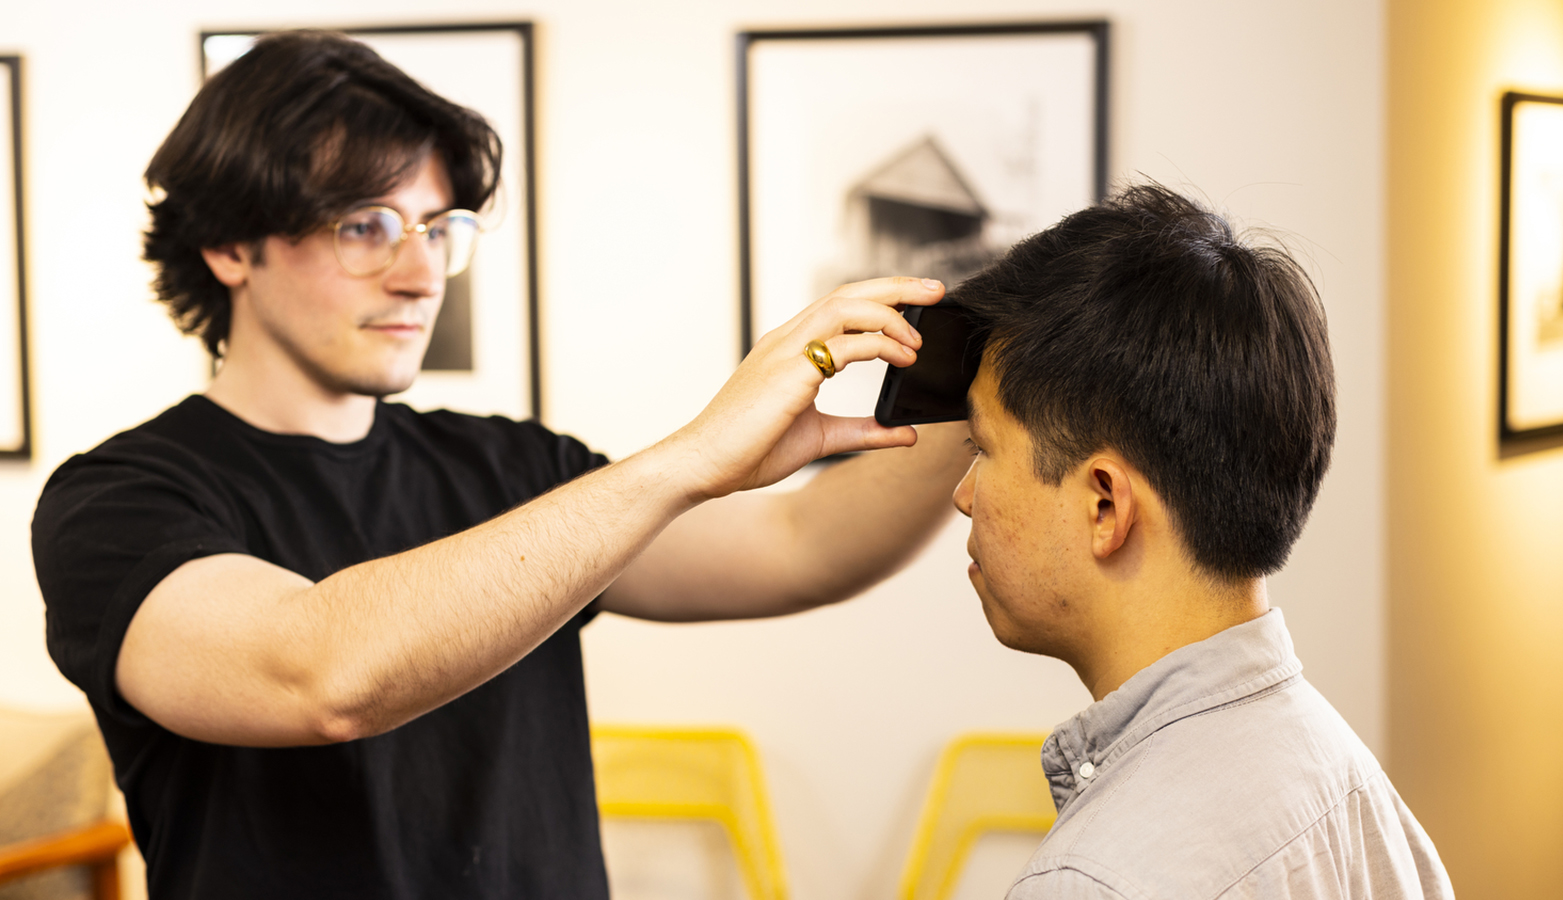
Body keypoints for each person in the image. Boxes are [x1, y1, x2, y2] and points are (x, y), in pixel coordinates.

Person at [30, 31, 968, 899]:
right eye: (365, 225)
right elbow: (319, 674)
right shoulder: (116, 502)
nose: (421, 272)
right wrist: (693, 456)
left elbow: (803, 543)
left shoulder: (511, 464)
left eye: (437, 228)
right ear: (230, 243)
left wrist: (985, 381)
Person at [946, 185, 1453, 899]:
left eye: (982, 447)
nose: (964, 493)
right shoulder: (1348, 785)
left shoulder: (1095, 881)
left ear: (1103, 504)